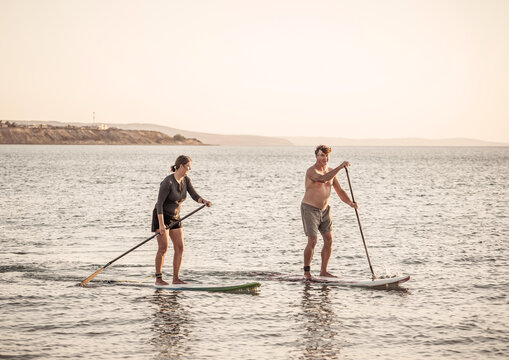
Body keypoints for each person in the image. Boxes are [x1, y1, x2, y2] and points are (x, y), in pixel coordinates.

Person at [152, 155, 212, 285]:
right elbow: (159, 205)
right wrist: (161, 225)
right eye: (188, 166)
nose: (189, 169)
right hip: (162, 216)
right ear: (180, 166)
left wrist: (204, 201)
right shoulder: (167, 182)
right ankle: (158, 279)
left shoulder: (186, 180)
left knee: (180, 247)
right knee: (163, 248)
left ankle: (176, 278)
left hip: (176, 217)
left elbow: (194, 195)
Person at [301, 145, 358, 279]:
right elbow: (322, 179)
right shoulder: (311, 171)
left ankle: (323, 271)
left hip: (325, 210)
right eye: (321, 155)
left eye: (326, 156)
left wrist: (350, 203)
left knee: (329, 240)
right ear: (316, 156)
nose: (325, 158)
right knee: (312, 241)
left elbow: (340, 191)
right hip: (310, 209)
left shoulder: (331, 171)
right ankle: (307, 273)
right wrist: (340, 167)